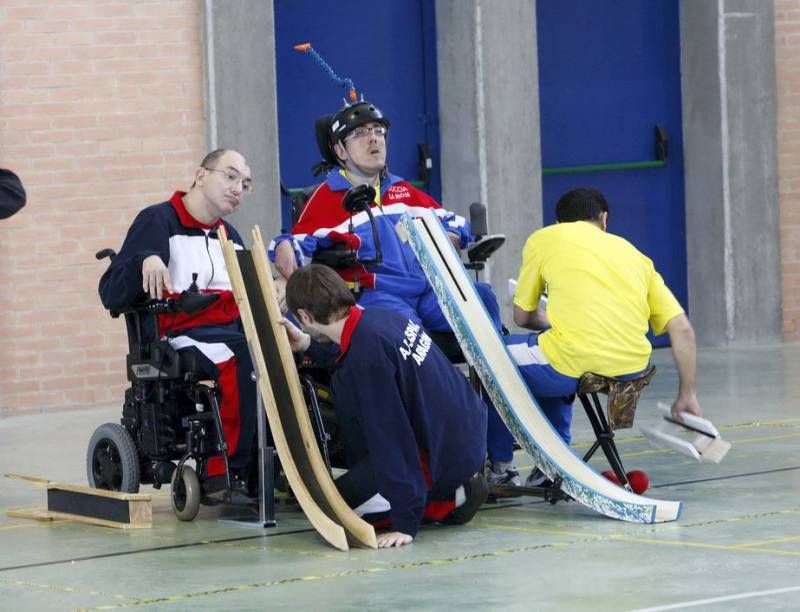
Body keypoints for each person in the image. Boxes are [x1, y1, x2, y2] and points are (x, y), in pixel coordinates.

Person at [270, 99, 518, 486]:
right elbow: (291, 244)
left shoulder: (403, 190)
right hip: (378, 294)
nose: (374, 140)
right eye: (361, 134)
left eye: (379, 132)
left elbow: (456, 223)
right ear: (339, 150)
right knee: (408, 338)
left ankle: (501, 458)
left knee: (482, 300)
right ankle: (433, 456)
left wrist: (455, 235)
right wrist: (285, 258)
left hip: (427, 289)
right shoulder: (325, 197)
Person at [503, 187, 703, 486]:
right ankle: (553, 461)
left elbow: (522, 317)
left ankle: (500, 467)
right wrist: (687, 395)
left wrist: (554, 323)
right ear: (603, 219)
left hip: (570, 361)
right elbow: (683, 329)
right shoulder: (636, 255)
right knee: (557, 351)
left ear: (559, 224)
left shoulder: (544, 239)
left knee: (488, 357)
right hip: (632, 372)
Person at [281, 264, 489, 548]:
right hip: (463, 442)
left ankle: (448, 497)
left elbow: (391, 437)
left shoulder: (367, 358)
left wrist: (406, 523)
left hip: (442, 457)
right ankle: (453, 487)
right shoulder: (380, 318)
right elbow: (347, 353)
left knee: (334, 510)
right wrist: (308, 343)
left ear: (305, 316)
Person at [98, 149, 257, 498]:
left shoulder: (230, 236)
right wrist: (145, 259)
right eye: (230, 176)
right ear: (201, 176)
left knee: (283, 355)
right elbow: (110, 293)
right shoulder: (158, 221)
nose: (238, 189)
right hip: (180, 334)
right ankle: (227, 468)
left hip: (232, 329)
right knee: (244, 359)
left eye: (245, 184)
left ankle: (274, 461)